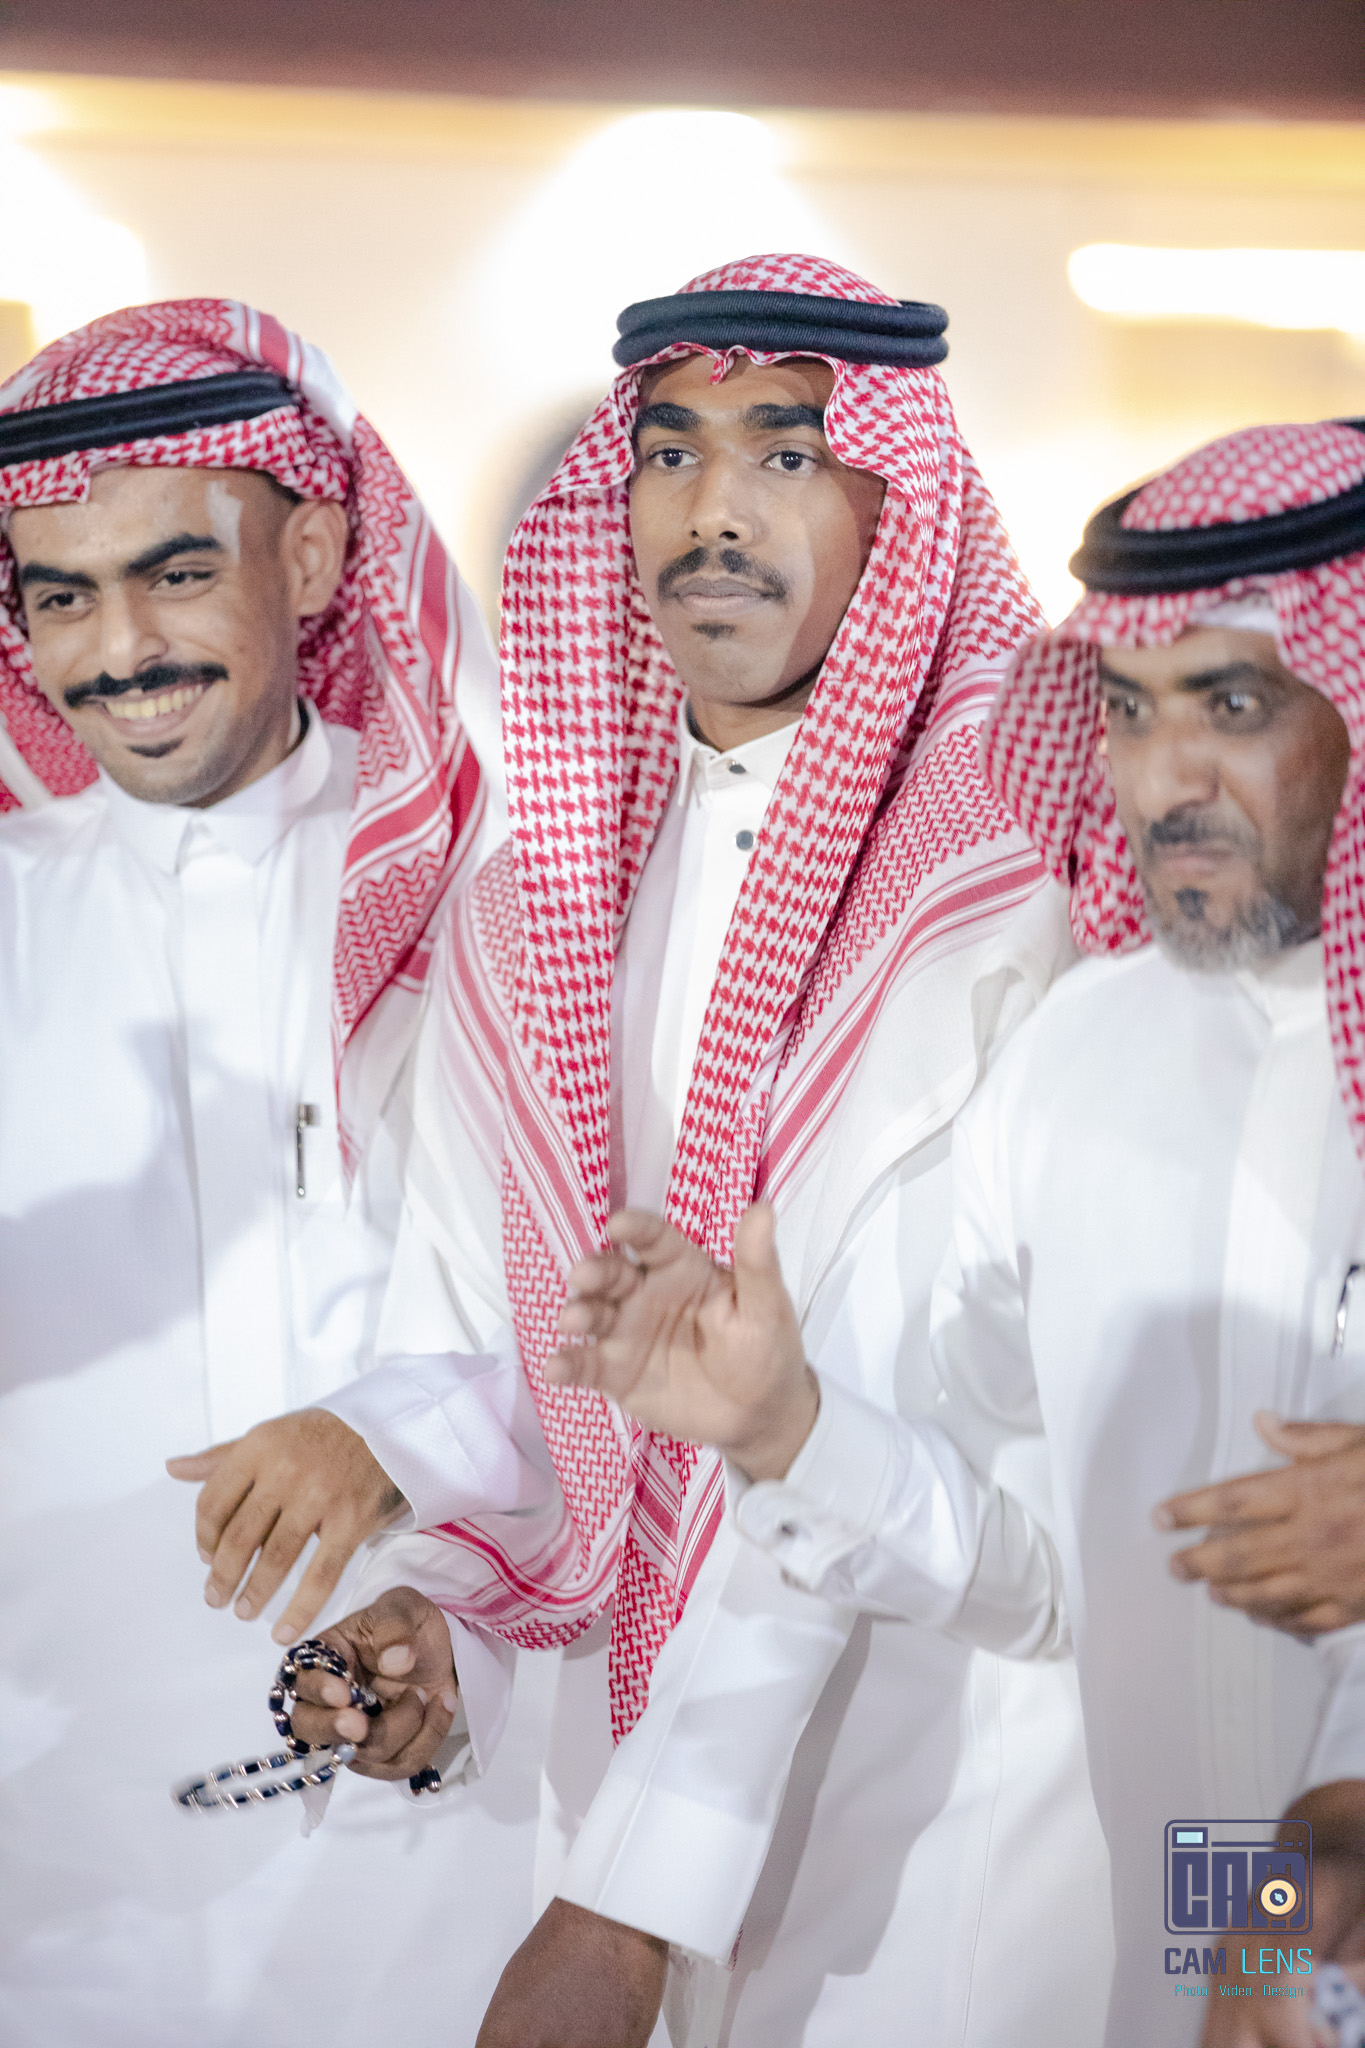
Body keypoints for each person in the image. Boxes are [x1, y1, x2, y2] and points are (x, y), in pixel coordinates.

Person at [282, 253, 1113, 2048]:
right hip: (610, 1812)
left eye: (788, 452)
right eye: (669, 451)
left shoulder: (1020, 904)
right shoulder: (527, 917)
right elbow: (500, 1353)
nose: (713, 511)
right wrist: (446, 1618)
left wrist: (633, 1901)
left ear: (903, 507)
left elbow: (885, 1415)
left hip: (942, 1800)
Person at [554, 417, 1365, 2048]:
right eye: (1126, 711)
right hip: (1225, 1954)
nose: (1164, 780)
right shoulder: (1082, 1056)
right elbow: (1047, 1579)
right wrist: (788, 1431)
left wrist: (1301, 1900)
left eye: (1231, 707)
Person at [0, 300, 548, 2048]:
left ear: (310, 558)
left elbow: (608, 1320)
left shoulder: (500, 888)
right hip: (57, 1850)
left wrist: (416, 1478)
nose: (120, 651)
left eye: (174, 575)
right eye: (60, 597)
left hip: (445, 1803)